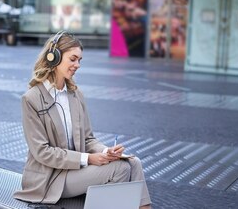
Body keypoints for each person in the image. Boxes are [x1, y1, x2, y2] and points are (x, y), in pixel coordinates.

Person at [13, 31, 152, 209]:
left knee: (133, 162)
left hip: (75, 171)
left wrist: (107, 151)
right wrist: (89, 159)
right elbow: (42, 152)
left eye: (79, 60)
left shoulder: (75, 95)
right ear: (54, 57)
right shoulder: (32, 99)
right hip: (49, 178)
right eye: (73, 59)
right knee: (120, 169)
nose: (77, 65)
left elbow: (88, 139)